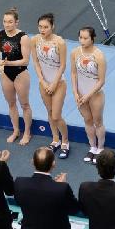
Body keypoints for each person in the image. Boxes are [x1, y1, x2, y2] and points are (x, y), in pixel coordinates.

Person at [31, 14, 70, 158]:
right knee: (49, 112)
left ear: (52, 27)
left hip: (58, 83)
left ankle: (65, 141)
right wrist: (42, 81)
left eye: (46, 27)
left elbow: (63, 65)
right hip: (44, 83)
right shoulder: (34, 40)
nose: (42, 29)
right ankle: (55, 140)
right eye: (40, 27)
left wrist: (53, 83)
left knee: (56, 115)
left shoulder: (59, 42)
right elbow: (35, 62)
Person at [0, 8, 32, 145]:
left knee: (25, 104)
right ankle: (16, 130)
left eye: (10, 22)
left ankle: (27, 132)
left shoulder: (23, 37)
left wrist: (8, 62)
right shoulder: (0, 35)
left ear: (17, 22)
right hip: (6, 73)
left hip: (20, 73)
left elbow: (26, 60)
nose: (7, 24)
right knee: (11, 104)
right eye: (5, 21)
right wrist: (0, 62)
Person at [70, 27, 106, 164]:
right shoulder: (74, 53)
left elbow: (101, 81)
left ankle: (100, 149)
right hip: (80, 94)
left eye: (85, 38)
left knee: (98, 122)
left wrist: (88, 95)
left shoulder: (99, 56)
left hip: (95, 95)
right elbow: (73, 73)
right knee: (87, 121)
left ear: (92, 39)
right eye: (80, 38)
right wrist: (75, 92)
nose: (82, 40)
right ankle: (92, 147)